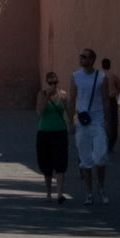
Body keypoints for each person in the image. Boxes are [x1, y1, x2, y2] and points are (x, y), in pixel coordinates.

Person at [70, 45, 110, 205]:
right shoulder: (75, 76)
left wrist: (108, 122)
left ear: (93, 60)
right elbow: (72, 99)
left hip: (98, 121)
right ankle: (89, 192)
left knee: (100, 157)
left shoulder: (101, 77)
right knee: (85, 160)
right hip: (82, 121)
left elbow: (106, 100)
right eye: (81, 56)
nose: (81, 59)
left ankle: (101, 187)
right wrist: (69, 121)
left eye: (85, 57)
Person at [35, 70, 70, 203]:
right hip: (44, 132)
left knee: (61, 162)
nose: (53, 85)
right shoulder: (41, 94)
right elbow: (39, 111)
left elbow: (68, 110)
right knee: (46, 163)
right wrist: (47, 96)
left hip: (60, 131)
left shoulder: (63, 95)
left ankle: (60, 193)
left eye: (55, 82)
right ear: (47, 83)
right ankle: (48, 193)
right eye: (50, 82)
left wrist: (72, 123)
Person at [101, 57, 120, 155]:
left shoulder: (99, 76)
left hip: (101, 101)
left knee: (103, 122)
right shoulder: (113, 76)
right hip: (110, 100)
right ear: (109, 65)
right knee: (112, 123)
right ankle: (110, 145)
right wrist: (115, 93)